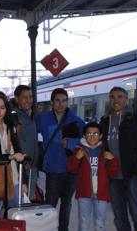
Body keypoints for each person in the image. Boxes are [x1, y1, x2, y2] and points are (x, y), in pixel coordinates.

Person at [100, 87, 137, 231]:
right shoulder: (105, 122)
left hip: (132, 176)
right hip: (113, 177)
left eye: (119, 97)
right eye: (112, 97)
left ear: (127, 99)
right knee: (119, 215)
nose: (115, 100)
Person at [37, 87, 85, 231]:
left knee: (66, 202)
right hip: (52, 168)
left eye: (64, 101)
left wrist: (71, 143)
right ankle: (48, 228)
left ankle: (63, 229)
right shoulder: (42, 119)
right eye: (57, 101)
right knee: (50, 203)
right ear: (52, 102)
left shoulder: (76, 121)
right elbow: (30, 132)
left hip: (71, 169)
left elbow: (88, 142)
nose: (60, 104)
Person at [67, 122, 120, 231]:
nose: (92, 136)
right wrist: (77, 158)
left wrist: (113, 160)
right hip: (84, 194)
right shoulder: (79, 150)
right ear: (84, 135)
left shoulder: (105, 151)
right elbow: (71, 169)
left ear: (100, 136)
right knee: (83, 223)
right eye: (89, 133)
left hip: (101, 194)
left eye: (95, 134)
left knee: (100, 223)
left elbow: (113, 173)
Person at [13, 85, 39, 199]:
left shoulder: (30, 114)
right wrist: (23, 162)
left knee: (29, 200)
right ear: (16, 98)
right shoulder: (14, 116)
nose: (29, 100)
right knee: (22, 201)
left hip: (31, 165)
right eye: (25, 97)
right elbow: (16, 141)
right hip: (22, 166)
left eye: (30, 97)